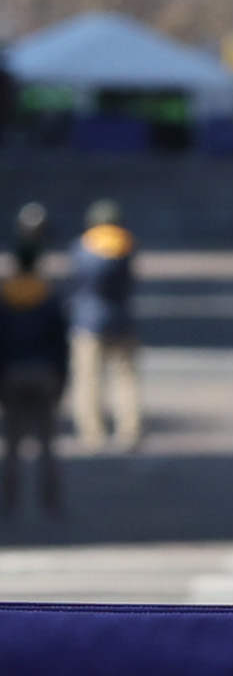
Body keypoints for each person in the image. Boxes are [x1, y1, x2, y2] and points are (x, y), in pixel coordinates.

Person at [0, 232, 68, 515]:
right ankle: (50, 500)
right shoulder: (49, 297)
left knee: (11, 444)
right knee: (47, 443)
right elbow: (61, 345)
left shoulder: (5, 299)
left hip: (12, 373)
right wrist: (62, 381)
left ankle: (9, 500)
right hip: (43, 374)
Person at [68, 199, 142, 452]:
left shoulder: (82, 246)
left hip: (88, 321)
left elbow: (78, 279)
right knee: (125, 378)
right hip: (121, 318)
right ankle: (129, 431)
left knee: (88, 379)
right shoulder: (127, 245)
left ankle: (92, 433)